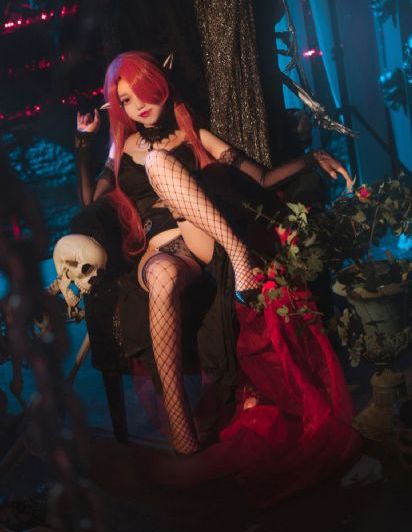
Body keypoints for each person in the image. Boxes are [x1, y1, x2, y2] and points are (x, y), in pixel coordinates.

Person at [75, 51, 360, 502]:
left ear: (160, 85)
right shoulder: (120, 147)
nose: (139, 106)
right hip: (161, 250)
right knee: (162, 277)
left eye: (144, 92)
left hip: (207, 240)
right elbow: (92, 205)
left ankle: (239, 255)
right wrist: (83, 144)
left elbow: (262, 178)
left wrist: (310, 159)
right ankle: (183, 439)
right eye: (126, 100)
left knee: (158, 162)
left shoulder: (194, 132)